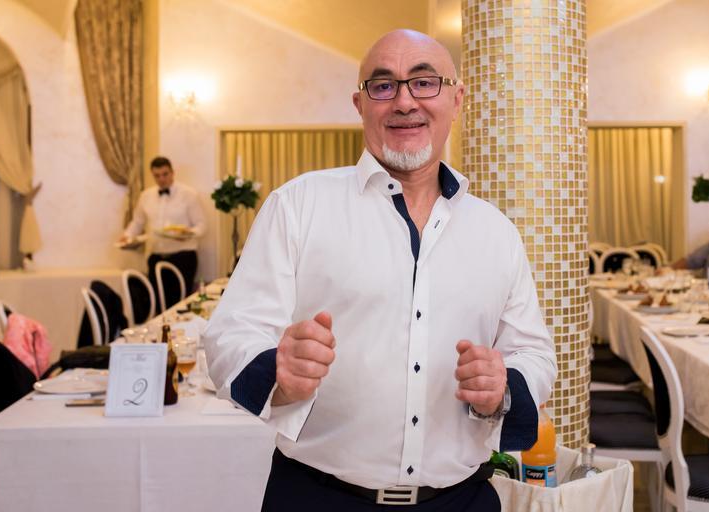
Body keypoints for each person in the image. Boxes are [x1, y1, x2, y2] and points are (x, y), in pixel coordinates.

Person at [204, 30, 556, 511]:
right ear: (360, 104)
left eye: (424, 82)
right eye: (383, 85)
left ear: (456, 100)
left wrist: (503, 390)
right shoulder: (298, 206)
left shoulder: (496, 232)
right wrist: (279, 376)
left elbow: (534, 353)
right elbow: (231, 334)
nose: (405, 101)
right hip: (317, 497)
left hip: (461, 500)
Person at [120, 156, 205, 310]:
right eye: (157, 176)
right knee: (158, 305)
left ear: (172, 172)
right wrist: (127, 236)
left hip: (183, 257)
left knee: (179, 305)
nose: (161, 179)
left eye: (165, 174)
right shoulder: (145, 196)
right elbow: (137, 222)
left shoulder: (189, 195)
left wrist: (187, 233)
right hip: (155, 257)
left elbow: (201, 226)